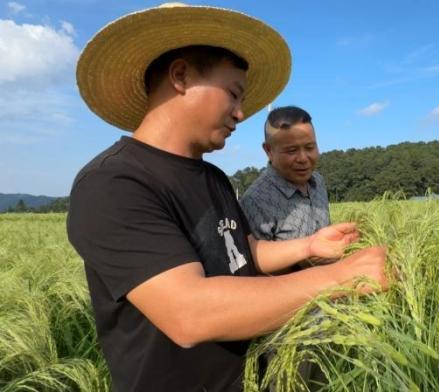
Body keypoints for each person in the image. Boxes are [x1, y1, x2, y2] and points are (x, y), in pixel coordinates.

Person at [66, 4, 388, 392]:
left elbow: (244, 254)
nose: (240, 113)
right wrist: (339, 277)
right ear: (181, 76)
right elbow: (189, 312)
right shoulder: (114, 184)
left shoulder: (214, 178)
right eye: (234, 95)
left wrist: (310, 245)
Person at [240, 106, 330, 270]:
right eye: (291, 150)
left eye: (310, 148)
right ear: (269, 150)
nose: (303, 158)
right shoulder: (256, 200)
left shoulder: (318, 182)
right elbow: (255, 271)